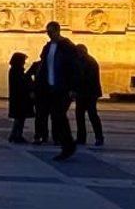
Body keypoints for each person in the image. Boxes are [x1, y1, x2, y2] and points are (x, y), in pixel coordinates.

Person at [35, 20, 78, 160]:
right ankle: (67, 145)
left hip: (63, 88)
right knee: (56, 116)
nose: (48, 34)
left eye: (50, 31)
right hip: (49, 87)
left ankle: (67, 146)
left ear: (57, 31)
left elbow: (74, 68)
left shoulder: (67, 47)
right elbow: (43, 65)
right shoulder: (48, 47)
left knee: (58, 115)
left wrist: (73, 87)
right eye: (47, 32)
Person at [74, 43, 105, 147]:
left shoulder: (89, 62)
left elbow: (86, 79)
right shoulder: (83, 61)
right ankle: (81, 138)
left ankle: (98, 137)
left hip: (89, 93)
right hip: (83, 93)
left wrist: (76, 88)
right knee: (80, 115)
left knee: (91, 115)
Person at [7, 51, 34, 143]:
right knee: (20, 117)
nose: (24, 62)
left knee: (19, 118)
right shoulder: (17, 71)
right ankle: (17, 135)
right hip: (20, 98)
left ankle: (14, 135)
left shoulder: (15, 70)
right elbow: (22, 84)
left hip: (18, 98)